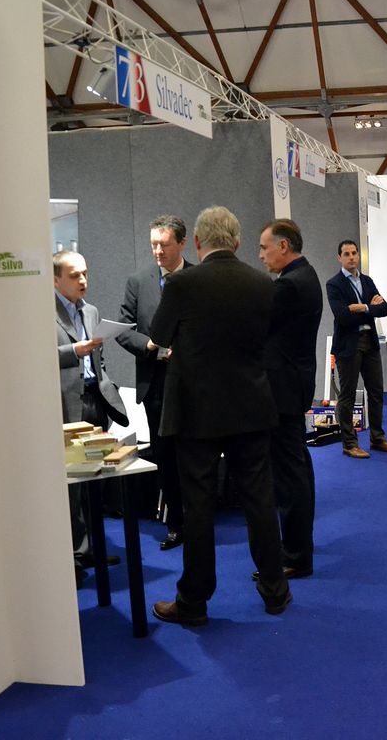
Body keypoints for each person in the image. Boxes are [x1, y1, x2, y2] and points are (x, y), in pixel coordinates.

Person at [149, 206, 290, 626]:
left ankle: (193, 602)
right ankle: (275, 590)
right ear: (238, 242)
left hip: (197, 413)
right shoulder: (262, 283)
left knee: (198, 508)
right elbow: (266, 338)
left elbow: (158, 336)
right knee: (259, 501)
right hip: (251, 407)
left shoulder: (181, 283)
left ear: (196, 242)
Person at [116, 215, 194, 552]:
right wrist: (149, 346)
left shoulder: (197, 279)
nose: (158, 251)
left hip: (194, 383)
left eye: (164, 244)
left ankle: (199, 519)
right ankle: (176, 524)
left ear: (182, 243)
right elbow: (123, 330)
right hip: (156, 383)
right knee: (165, 456)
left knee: (195, 455)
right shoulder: (138, 282)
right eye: (153, 245)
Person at [54, 250, 128, 585]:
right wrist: (74, 351)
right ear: (55, 279)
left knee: (96, 479)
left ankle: (91, 548)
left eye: (85, 273)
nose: (82, 280)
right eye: (74, 275)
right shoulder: (42, 313)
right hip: (64, 404)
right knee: (70, 485)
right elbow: (33, 356)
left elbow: (99, 358)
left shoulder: (92, 310)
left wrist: (105, 383)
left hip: (94, 401)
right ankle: (71, 553)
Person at [256, 218, 323, 579]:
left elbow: (255, 325)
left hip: (282, 389)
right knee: (297, 467)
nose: (260, 255)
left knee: (288, 475)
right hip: (293, 385)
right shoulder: (304, 275)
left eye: (264, 247)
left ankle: (296, 555)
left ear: (283, 246)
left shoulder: (290, 285)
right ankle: (299, 546)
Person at [326, 240, 387, 459]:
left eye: (354, 253)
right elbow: (343, 316)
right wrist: (370, 309)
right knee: (347, 396)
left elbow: (384, 309)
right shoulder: (334, 284)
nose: (351, 257)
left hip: (370, 342)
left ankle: (377, 438)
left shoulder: (367, 281)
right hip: (348, 345)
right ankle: (349, 444)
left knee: (376, 392)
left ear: (358, 255)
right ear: (339, 258)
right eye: (346, 254)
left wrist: (362, 307)